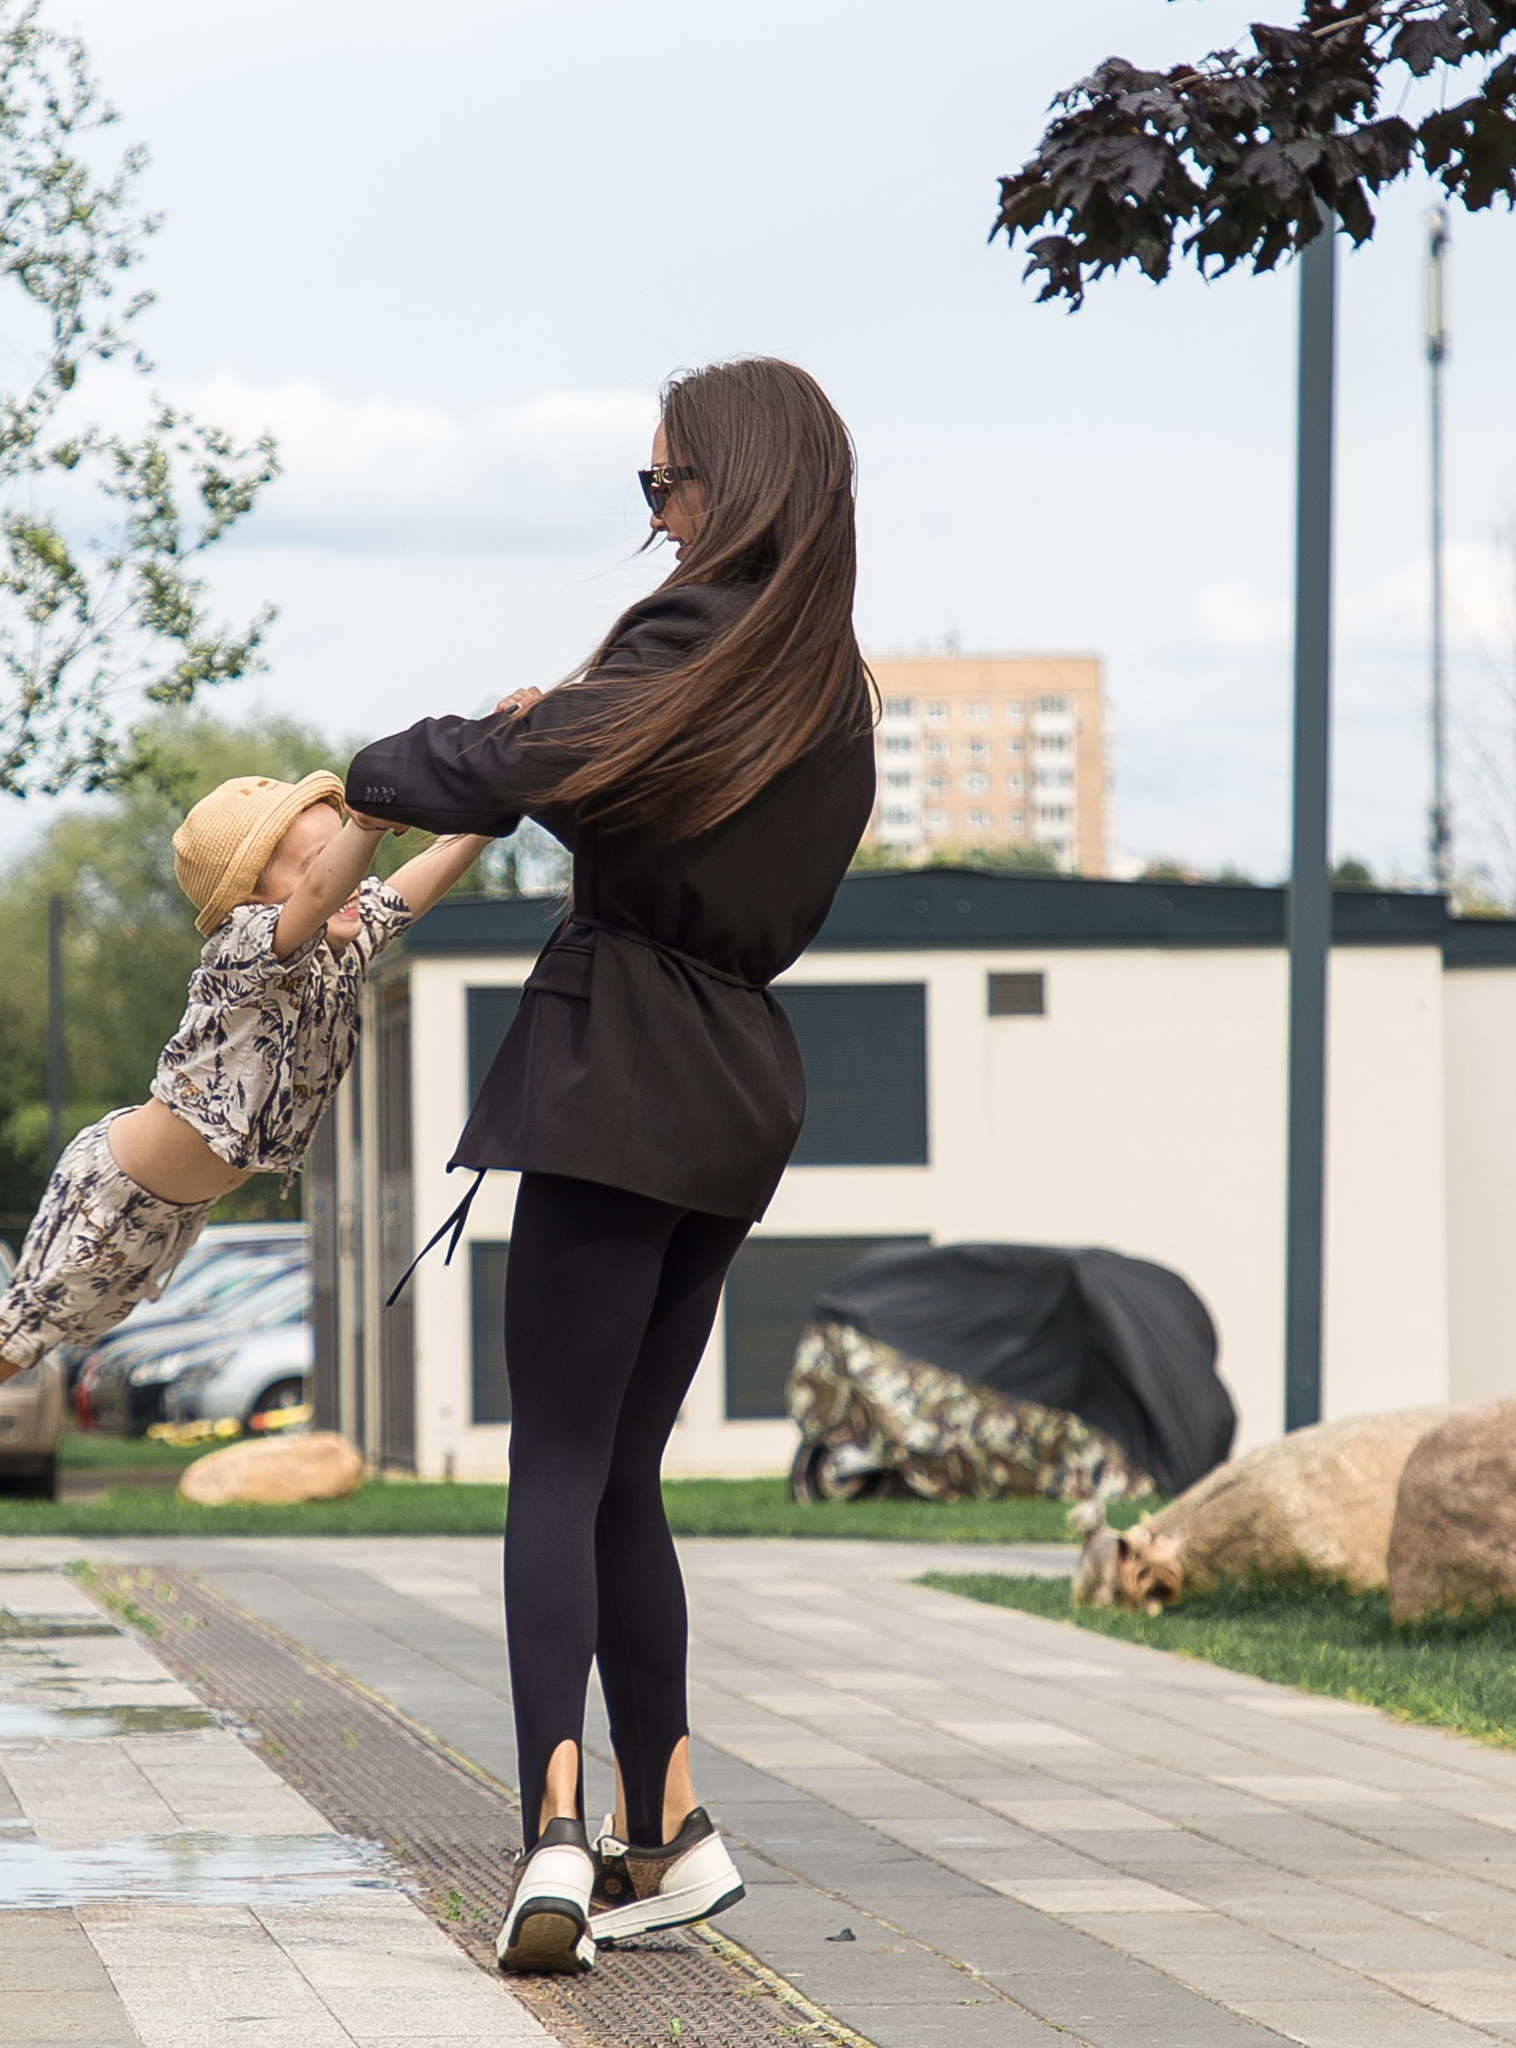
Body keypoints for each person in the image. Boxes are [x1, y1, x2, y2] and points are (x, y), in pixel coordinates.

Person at [344, 358, 877, 1976]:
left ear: (735, 480)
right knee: (626, 1466)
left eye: (664, 484)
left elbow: (499, 773)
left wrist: (365, 773)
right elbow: (662, 812)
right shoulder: (827, 688)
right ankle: (678, 1827)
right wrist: (565, 757)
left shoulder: (690, 637)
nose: (655, 520)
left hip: (621, 1063)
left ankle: (555, 1838)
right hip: (739, 1081)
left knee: (560, 1462)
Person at [0, 771, 490, 1535]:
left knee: (62, 1323)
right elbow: (315, 898)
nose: (351, 881)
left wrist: (490, 814)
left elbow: (411, 886)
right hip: (116, 1186)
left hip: (176, 1203)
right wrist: (367, 825)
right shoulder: (248, 945)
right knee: (23, 1313)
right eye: (325, 863)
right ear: (251, 896)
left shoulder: (345, 941)